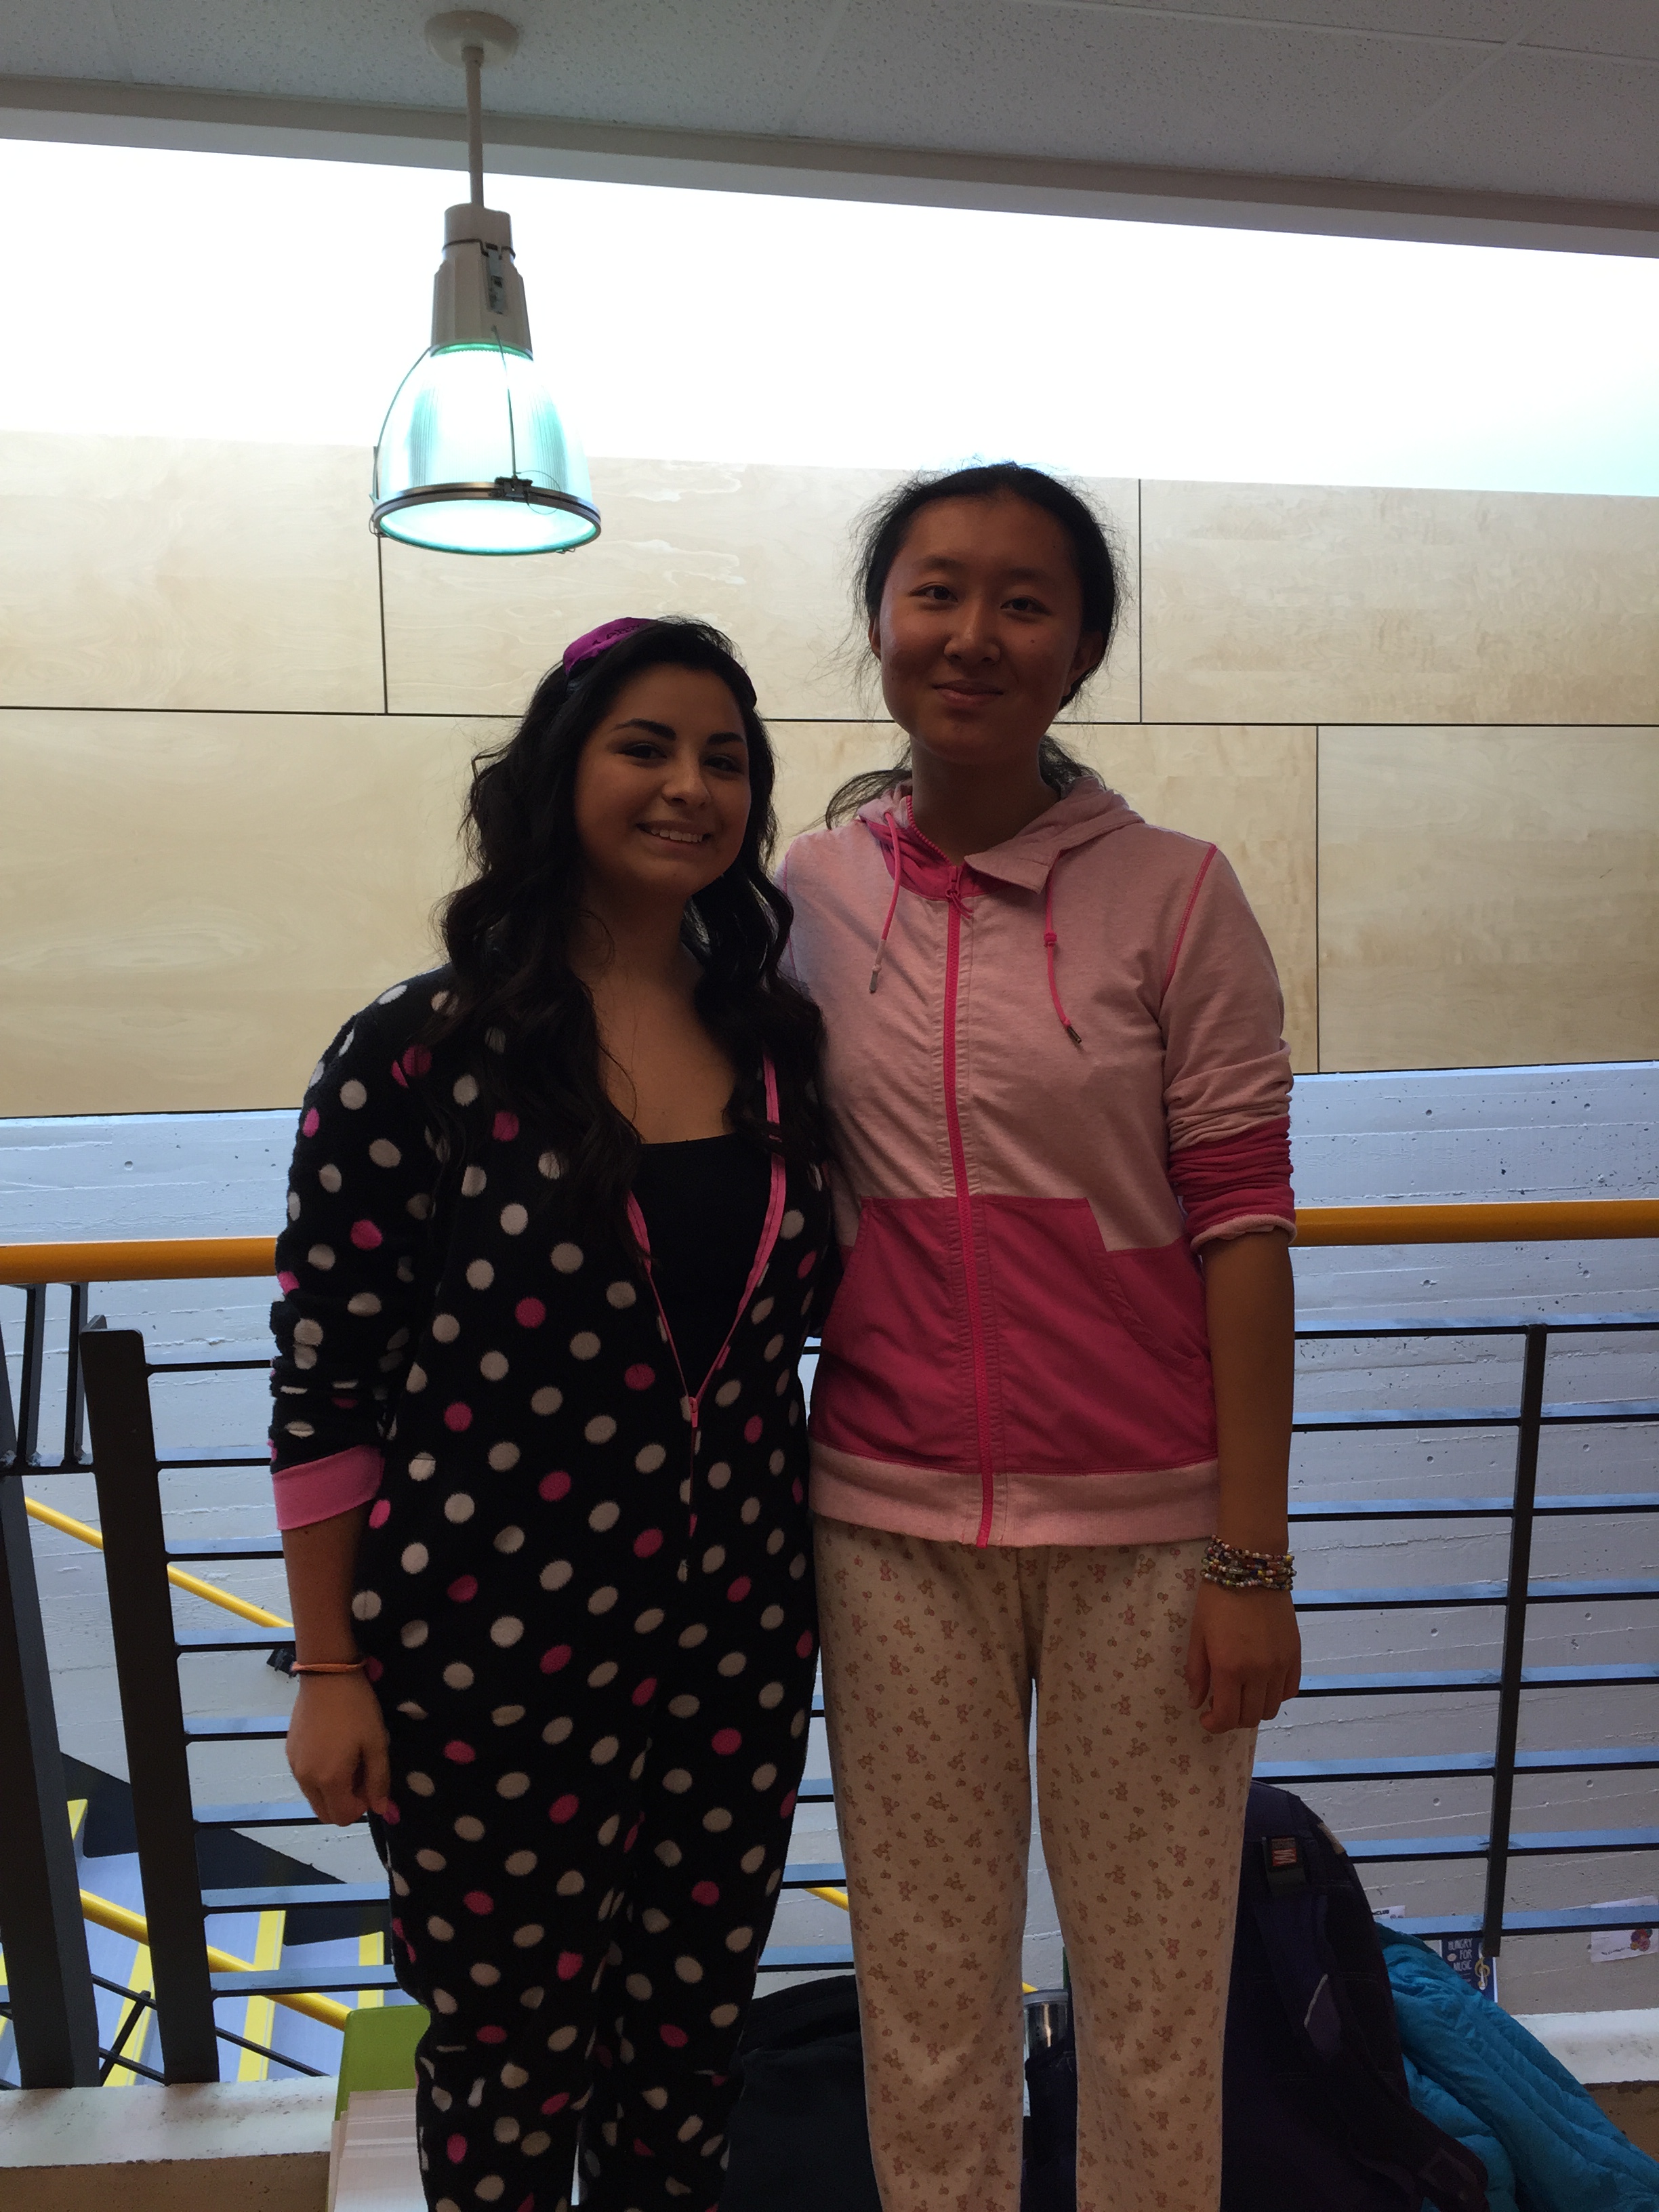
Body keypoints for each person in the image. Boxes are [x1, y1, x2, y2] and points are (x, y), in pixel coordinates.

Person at [778, 464, 1300, 2212]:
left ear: (1080, 650)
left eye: (1024, 601)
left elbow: (1244, 1234)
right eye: (937, 590)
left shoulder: (1177, 895)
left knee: (1153, 2007)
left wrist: (1249, 1556)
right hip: (889, 1524)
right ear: (880, 623)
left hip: (1151, 1535)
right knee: (926, 2003)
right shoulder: (805, 896)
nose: (974, 634)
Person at [270, 616, 834, 2212]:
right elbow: (326, 1383)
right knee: (507, 2065)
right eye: (645, 747)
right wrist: (329, 1669)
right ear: (559, 772)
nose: (690, 787)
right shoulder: (417, 1054)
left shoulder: (776, 1043)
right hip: (483, 1650)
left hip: (737, 1637)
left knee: (689, 2052)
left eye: (726, 759)